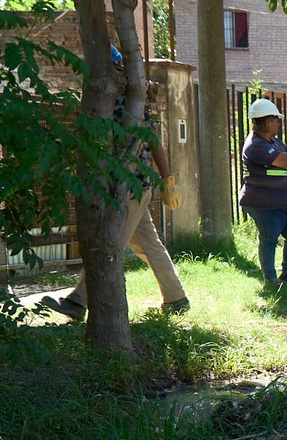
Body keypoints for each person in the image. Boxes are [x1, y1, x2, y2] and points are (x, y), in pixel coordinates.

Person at [42, 45, 189, 321]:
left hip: (131, 184)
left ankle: (77, 301)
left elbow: (153, 140)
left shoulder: (127, 100)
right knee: (147, 244)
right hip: (130, 183)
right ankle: (177, 298)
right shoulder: (107, 99)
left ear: (116, 68)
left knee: (110, 243)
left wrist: (168, 180)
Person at [239, 98, 287, 284]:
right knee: (269, 239)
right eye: (276, 120)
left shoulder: (274, 142)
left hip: (286, 201)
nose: (278, 123)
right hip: (264, 203)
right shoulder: (256, 145)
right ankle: (270, 279)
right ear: (268, 121)